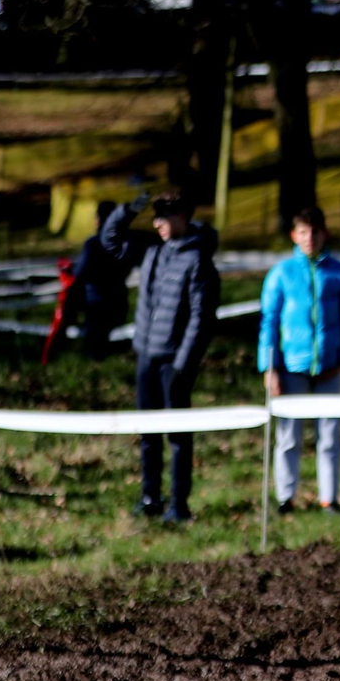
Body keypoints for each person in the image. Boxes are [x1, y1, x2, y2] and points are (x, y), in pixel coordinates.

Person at [101, 191, 221, 524]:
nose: (158, 224)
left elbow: (202, 318)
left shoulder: (198, 259)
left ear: (183, 217)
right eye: (155, 218)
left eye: (164, 217)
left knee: (178, 436)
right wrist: (128, 209)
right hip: (146, 356)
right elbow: (109, 241)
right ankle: (150, 497)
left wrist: (183, 363)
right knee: (148, 432)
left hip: (174, 363)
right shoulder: (152, 249)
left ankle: (179, 504)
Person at [258, 206, 340, 513]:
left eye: (315, 232)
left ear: (325, 233)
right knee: (288, 436)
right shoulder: (280, 274)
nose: (310, 238)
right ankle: (285, 498)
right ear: (294, 235)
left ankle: (329, 498)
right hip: (292, 369)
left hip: (330, 370)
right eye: (303, 232)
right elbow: (269, 321)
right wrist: (269, 368)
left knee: (330, 437)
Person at [70, 200, 129, 358]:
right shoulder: (123, 243)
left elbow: (78, 274)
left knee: (95, 350)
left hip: (96, 305)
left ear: (99, 218)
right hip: (119, 301)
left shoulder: (93, 244)